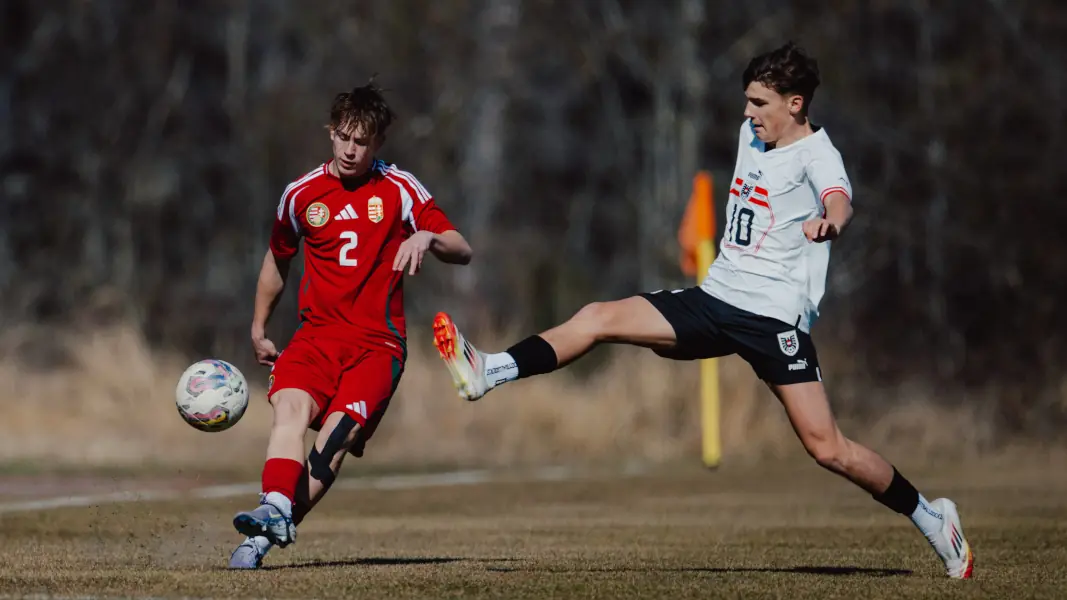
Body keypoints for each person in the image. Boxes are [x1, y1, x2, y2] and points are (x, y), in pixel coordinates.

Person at [431, 42, 973, 579]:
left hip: (772, 321)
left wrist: (830, 221)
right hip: (715, 300)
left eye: (760, 103)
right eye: (747, 101)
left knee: (828, 448)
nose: (747, 113)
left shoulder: (819, 155)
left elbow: (840, 200)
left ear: (796, 104)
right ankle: (489, 370)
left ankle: (932, 517)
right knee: (598, 316)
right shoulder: (750, 135)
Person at [228, 82, 472, 569]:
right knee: (289, 411)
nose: (349, 149)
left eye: (361, 141)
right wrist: (258, 326)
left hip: (378, 346)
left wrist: (426, 236)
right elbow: (277, 261)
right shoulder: (300, 195)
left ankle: (262, 538)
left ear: (377, 143)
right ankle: (272, 509)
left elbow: (461, 248)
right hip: (314, 338)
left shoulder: (400, 189)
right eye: (342, 136)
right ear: (330, 133)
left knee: (332, 445)